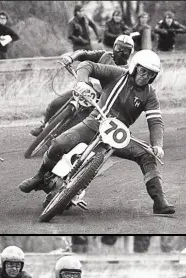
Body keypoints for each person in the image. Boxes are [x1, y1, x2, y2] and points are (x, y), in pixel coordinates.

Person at [19, 50, 176, 215]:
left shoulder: (150, 94)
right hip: (93, 123)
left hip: (118, 136)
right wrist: (82, 82)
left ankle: (159, 202)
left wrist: (158, 145)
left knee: (148, 156)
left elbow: (155, 121)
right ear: (135, 67)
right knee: (59, 143)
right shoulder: (117, 74)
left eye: (150, 74)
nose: (145, 76)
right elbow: (87, 65)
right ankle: (40, 176)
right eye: (143, 71)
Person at [29, 35, 135, 137]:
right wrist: (71, 58)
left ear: (130, 53)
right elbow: (83, 53)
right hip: (85, 89)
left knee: (85, 127)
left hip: (100, 102)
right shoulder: (104, 55)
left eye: (125, 50)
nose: (121, 52)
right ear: (114, 46)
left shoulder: (128, 72)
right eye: (118, 48)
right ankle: (44, 125)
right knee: (54, 104)